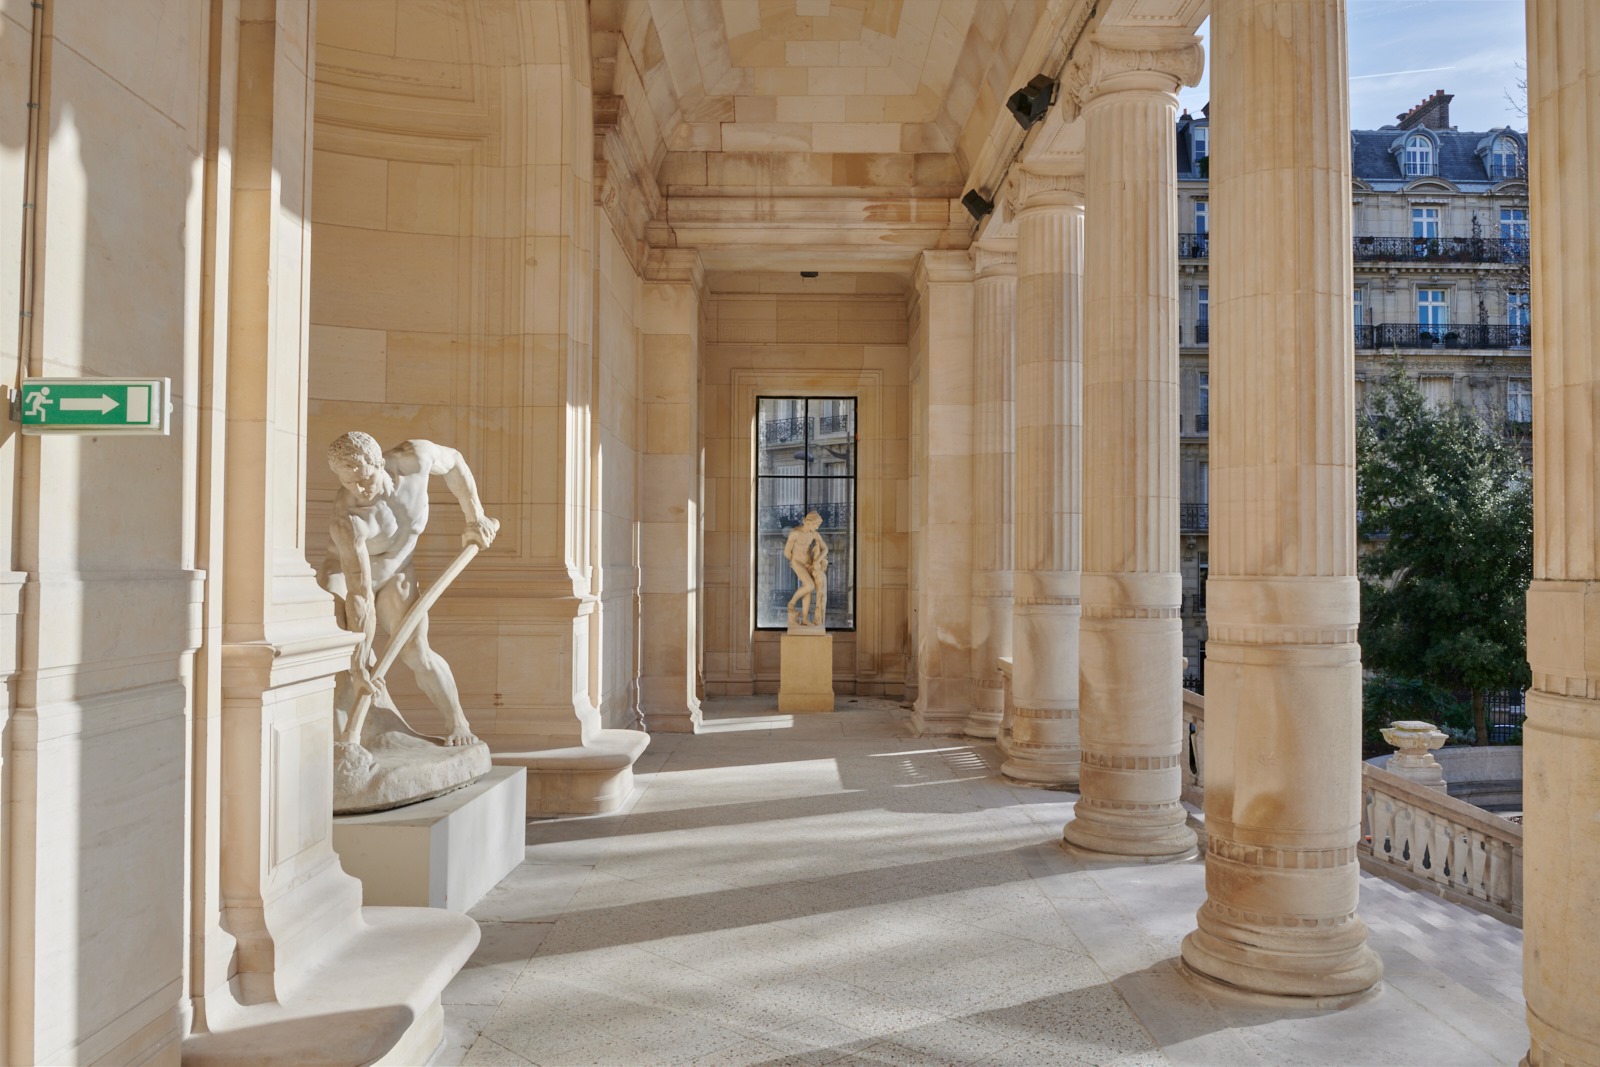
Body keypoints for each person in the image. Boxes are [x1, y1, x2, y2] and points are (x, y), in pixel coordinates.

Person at [317, 431, 498, 746]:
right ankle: (351, 733)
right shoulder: (349, 520)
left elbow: (455, 462)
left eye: (364, 478)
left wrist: (475, 517)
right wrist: (359, 664)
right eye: (348, 483)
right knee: (344, 652)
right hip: (347, 579)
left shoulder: (415, 458)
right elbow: (360, 595)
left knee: (417, 651)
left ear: (379, 462)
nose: (359, 489)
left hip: (398, 570)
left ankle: (458, 723)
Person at [783, 511, 829, 628]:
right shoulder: (795, 533)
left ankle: (804, 619)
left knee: (807, 589)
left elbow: (825, 549)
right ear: (809, 522)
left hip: (808, 563)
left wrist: (817, 560)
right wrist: (794, 563)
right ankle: (792, 602)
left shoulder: (814, 534)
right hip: (797, 562)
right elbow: (787, 552)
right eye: (816, 524)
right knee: (810, 585)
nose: (817, 527)